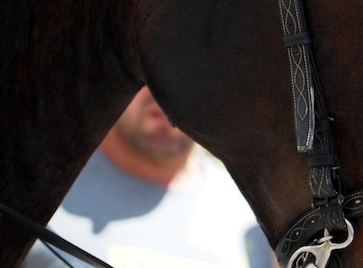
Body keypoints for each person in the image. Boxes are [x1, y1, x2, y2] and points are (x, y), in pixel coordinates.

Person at [22, 86, 276, 268]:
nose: (166, 89)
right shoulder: (32, 189)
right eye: (148, 68)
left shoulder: (253, 213)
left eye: (187, 72)